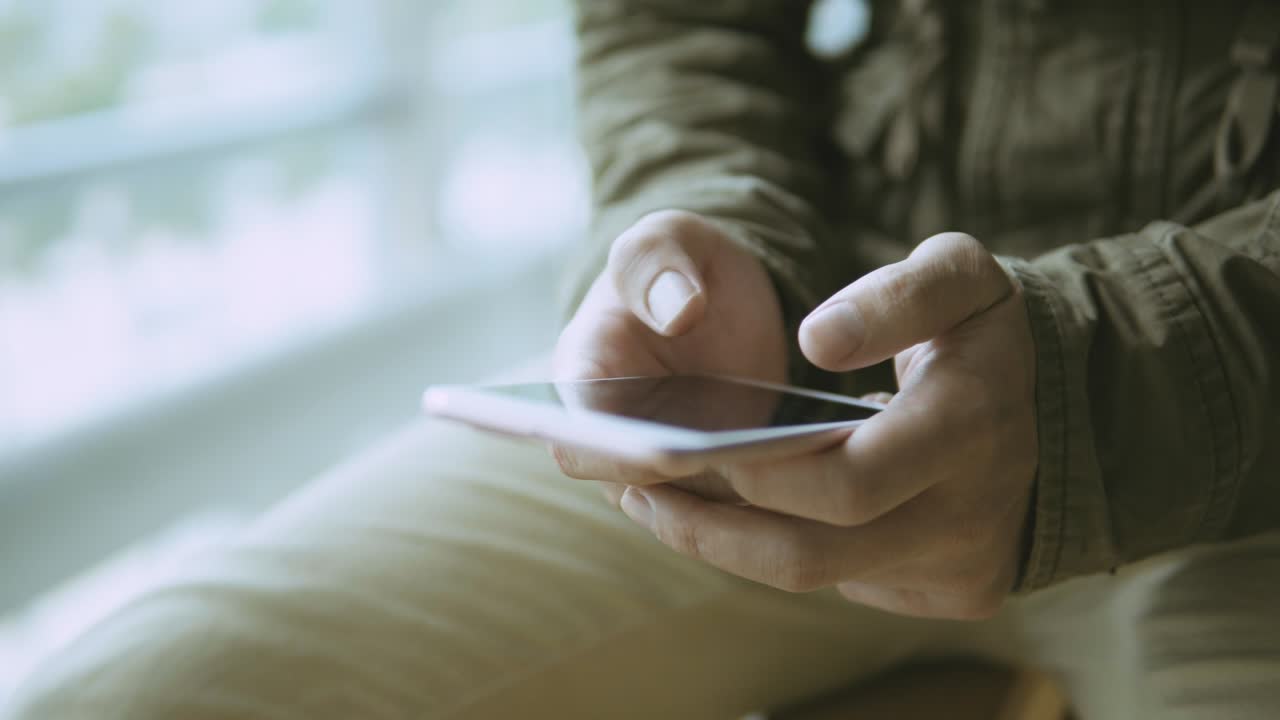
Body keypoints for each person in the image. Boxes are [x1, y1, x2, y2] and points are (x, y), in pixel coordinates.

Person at [8, 1, 1280, 718]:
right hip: (815, 376)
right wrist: (713, 226)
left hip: (1247, 464)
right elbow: (677, 23)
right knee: (140, 692)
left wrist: (1107, 392)